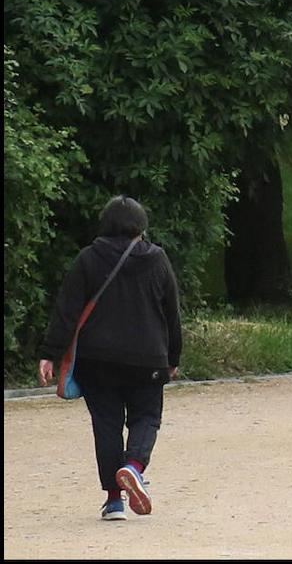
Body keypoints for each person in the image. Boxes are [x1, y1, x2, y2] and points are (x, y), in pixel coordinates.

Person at [36, 196, 182, 522]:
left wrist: (50, 353)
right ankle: (134, 467)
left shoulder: (89, 258)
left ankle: (115, 501)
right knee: (146, 418)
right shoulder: (157, 259)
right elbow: (171, 312)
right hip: (148, 358)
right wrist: (173, 356)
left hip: (97, 359)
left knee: (107, 426)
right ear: (140, 225)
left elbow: (67, 309)